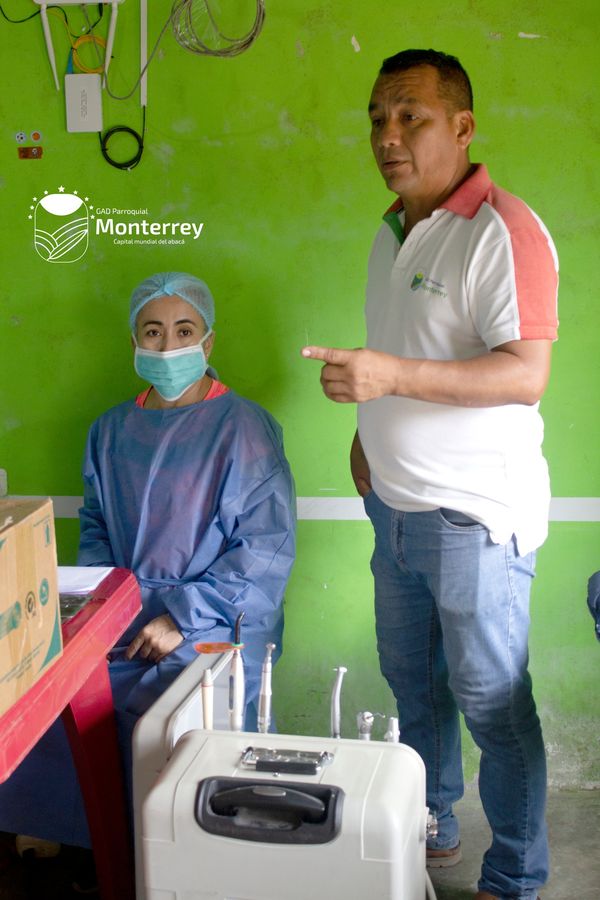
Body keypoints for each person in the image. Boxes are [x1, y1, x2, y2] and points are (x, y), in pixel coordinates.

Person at [302, 49, 558, 900]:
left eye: (410, 115)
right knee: (415, 685)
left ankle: (515, 872)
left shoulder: (502, 230)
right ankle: (433, 818)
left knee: (493, 703)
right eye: (378, 117)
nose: (388, 134)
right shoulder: (392, 231)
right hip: (395, 513)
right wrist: (368, 436)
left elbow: (525, 373)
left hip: (475, 520)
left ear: (463, 126)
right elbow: (404, 350)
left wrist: (388, 380)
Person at [0, 271, 296, 852]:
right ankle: (97, 844)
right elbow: (97, 526)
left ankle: (165, 859)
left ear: (208, 341)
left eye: (184, 330)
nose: (167, 345)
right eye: (153, 331)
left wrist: (181, 617)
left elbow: (264, 549)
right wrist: (102, 610)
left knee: (166, 731)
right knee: (54, 696)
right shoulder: (110, 431)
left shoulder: (244, 429)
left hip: (216, 621)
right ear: (134, 342)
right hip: (125, 614)